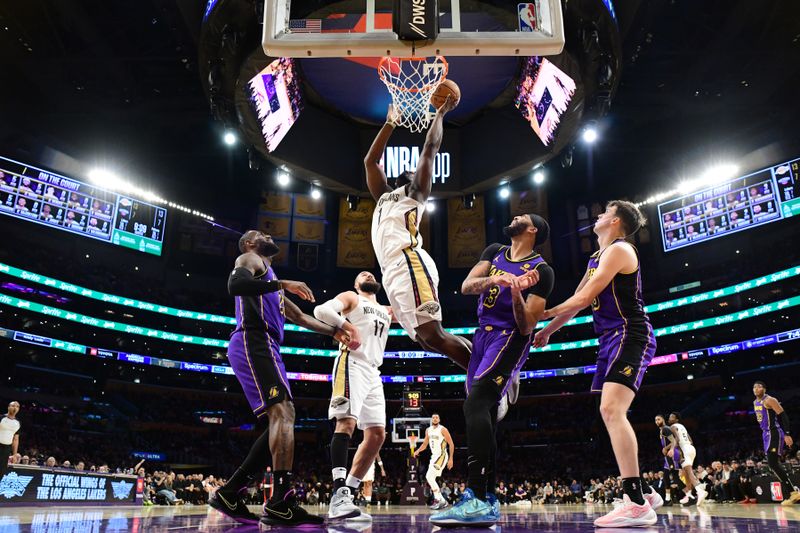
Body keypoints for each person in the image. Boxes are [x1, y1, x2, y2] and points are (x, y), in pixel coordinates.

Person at [208, 230, 360, 526]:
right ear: (250, 243)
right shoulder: (250, 258)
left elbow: (301, 317)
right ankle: (280, 500)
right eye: (259, 233)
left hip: (267, 346)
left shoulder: (269, 280)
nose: (266, 234)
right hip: (253, 339)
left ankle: (230, 492)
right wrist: (282, 283)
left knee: (281, 420)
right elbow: (235, 283)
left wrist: (335, 331)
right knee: (284, 413)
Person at [535, 201, 659, 528]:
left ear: (615, 220)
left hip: (629, 332)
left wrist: (541, 313)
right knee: (609, 412)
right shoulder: (596, 258)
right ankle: (643, 492)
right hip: (609, 339)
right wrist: (547, 332)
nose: (599, 215)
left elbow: (582, 298)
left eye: (605, 211)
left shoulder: (620, 250)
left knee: (611, 410)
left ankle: (634, 500)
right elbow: (577, 303)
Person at [431, 213, 554, 527]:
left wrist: (516, 296)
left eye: (522, 217)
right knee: (483, 414)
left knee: (476, 403)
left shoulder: (542, 271)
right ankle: (488, 500)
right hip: (482, 335)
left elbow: (527, 325)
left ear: (532, 229)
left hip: (510, 337)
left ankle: (474, 494)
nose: (514, 216)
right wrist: (497, 280)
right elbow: (468, 285)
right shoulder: (494, 251)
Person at [365, 99, 472, 371]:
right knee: (427, 341)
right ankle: (483, 360)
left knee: (432, 333)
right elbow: (371, 161)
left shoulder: (416, 193)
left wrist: (441, 113)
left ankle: (491, 381)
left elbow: (430, 148)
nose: (416, 171)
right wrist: (390, 123)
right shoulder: (385, 196)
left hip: (409, 263)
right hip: (390, 271)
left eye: (418, 171)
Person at [313, 271, 391, 520]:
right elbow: (321, 311)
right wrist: (347, 327)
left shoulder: (386, 309)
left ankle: (350, 492)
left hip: (373, 372)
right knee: (346, 423)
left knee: (378, 435)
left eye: (370, 273)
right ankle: (337, 494)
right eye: (362, 274)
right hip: (352, 363)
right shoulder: (352, 298)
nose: (368, 273)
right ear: (356, 284)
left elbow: (416, 317)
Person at [753, 380, 800, 505]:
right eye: (754, 387)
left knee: (772, 463)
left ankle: (793, 492)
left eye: (759, 387)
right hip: (766, 434)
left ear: (764, 389)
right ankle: (792, 492)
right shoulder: (755, 402)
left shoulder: (770, 400)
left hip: (774, 433)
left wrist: (787, 434)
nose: (756, 389)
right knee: (772, 464)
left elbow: (783, 415)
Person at [413, 414, 455, 511]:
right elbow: (424, 444)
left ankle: (438, 499)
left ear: (439, 419)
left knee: (429, 477)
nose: (435, 419)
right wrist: (418, 451)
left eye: (437, 417)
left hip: (442, 456)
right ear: (431, 419)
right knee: (430, 477)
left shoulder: (443, 429)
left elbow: (451, 444)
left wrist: (451, 459)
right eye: (433, 417)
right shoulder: (428, 430)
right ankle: (442, 500)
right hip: (434, 457)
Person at [666, 412, 707, 506]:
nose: (669, 418)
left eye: (672, 417)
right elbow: (690, 439)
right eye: (669, 417)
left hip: (685, 449)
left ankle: (699, 491)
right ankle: (689, 496)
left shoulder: (672, 427)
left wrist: (669, 448)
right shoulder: (682, 426)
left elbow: (677, 440)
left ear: (676, 419)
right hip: (691, 448)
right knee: (685, 473)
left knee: (689, 472)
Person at [655, 414, 681, 505]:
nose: (657, 421)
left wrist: (666, 448)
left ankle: (689, 495)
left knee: (675, 477)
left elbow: (674, 441)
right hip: (668, 455)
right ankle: (667, 499)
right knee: (666, 477)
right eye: (656, 420)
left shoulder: (666, 428)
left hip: (672, 454)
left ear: (663, 419)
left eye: (658, 419)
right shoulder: (662, 430)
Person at [0, 401, 21, 480]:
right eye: (13, 406)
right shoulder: (1, 418)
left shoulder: (18, 422)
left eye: (17, 406)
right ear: (8, 407)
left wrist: (15, 454)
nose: (15, 408)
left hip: (6, 449)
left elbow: (16, 439)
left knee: (1, 471)